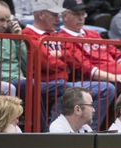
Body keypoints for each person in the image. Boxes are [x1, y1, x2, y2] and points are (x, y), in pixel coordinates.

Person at [21, 0, 115, 131]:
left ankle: (87, 131)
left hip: (63, 82)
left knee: (107, 88)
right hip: (44, 83)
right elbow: (45, 64)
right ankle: (54, 134)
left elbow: (72, 58)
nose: (58, 19)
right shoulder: (28, 34)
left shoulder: (55, 34)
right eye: (54, 15)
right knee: (64, 88)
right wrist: (61, 60)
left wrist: (59, 56)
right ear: (41, 14)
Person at [58, 0, 121, 92]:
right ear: (65, 16)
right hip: (102, 79)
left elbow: (116, 54)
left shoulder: (93, 34)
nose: (81, 18)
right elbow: (85, 68)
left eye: (83, 13)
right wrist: (115, 78)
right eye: (76, 14)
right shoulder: (62, 38)